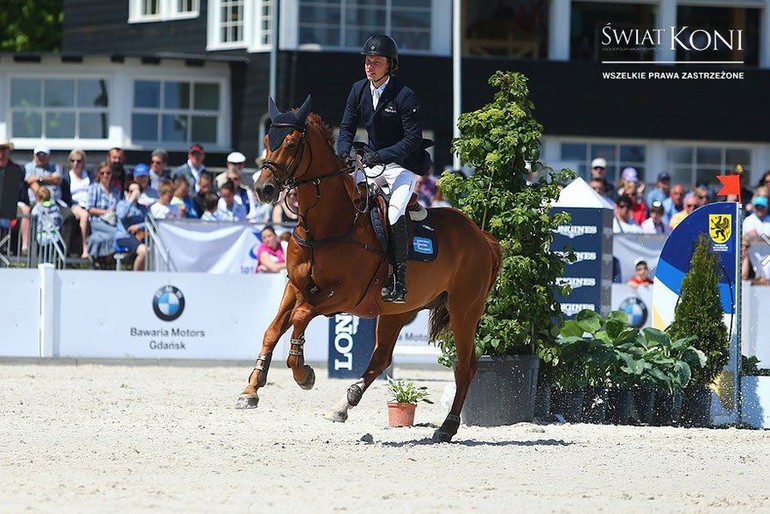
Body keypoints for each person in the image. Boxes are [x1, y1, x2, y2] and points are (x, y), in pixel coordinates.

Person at [336, 34, 432, 302]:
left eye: (376, 62)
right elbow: (346, 127)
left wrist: (380, 155)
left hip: (402, 166)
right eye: (367, 61)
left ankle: (400, 281)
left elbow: (412, 139)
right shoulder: (358, 90)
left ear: (390, 65)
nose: (370, 66)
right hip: (373, 163)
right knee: (352, 205)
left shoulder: (404, 95)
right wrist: (343, 152)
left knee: (392, 214)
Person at [24, 145, 78, 257]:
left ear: (48, 157)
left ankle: (62, 253)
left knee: (69, 216)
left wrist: (39, 178)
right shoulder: (29, 167)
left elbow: (57, 179)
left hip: (56, 202)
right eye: (38, 155)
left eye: (43, 155)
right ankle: (34, 253)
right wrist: (45, 190)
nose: (40, 157)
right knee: (35, 217)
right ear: (34, 156)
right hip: (38, 201)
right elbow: (31, 182)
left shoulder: (55, 167)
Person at [0, 139, 31, 254]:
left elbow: (20, 192)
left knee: (26, 210)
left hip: (13, 203)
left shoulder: (17, 169)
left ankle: (25, 247)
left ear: (9, 151)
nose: (1, 152)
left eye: (4, 149)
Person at [60, 149, 92, 258]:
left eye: (78, 161)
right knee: (84, 215)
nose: (75, 163)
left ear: (83, 162)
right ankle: (85, 247)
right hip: (75, 205)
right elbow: (65, 197)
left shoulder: (89, 176)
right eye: (72, 161)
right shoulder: (66, 177)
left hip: (90, 204)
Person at [86, 161, 121, 259]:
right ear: (98, 174)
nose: (105, 175)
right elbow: (90, 208)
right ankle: (107, 257)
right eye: (102, 173)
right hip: (98, 221)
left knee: (103, 238)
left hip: (113, 221)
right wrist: (106, 212)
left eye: (108, 173)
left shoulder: (115, 191)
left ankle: (101, 258)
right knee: (116, 234)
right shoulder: (94, 188)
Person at [115, 181, 149, 271]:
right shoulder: (121, 204)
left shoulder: (142, 208)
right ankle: (136, 276)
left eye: (136, 191)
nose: (133, 193)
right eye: (131, 191)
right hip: (124, 236)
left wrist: (139, 226)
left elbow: (149, 222)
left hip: (139, 236)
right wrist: (130, 200)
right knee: (144, 251)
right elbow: (121, 215)